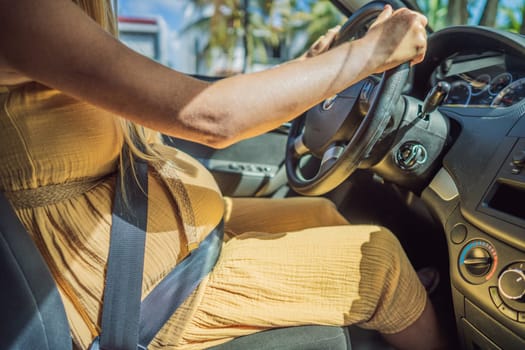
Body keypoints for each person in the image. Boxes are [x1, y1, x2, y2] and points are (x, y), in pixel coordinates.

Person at [0, 0, 448, 349]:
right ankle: (408, 307)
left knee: (321, 212)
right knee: (381, 259)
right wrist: (370, 52)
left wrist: (309, 69)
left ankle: (407, 311)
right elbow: (210, 116)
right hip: (122, 291)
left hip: (141, 232)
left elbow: (164, 95)